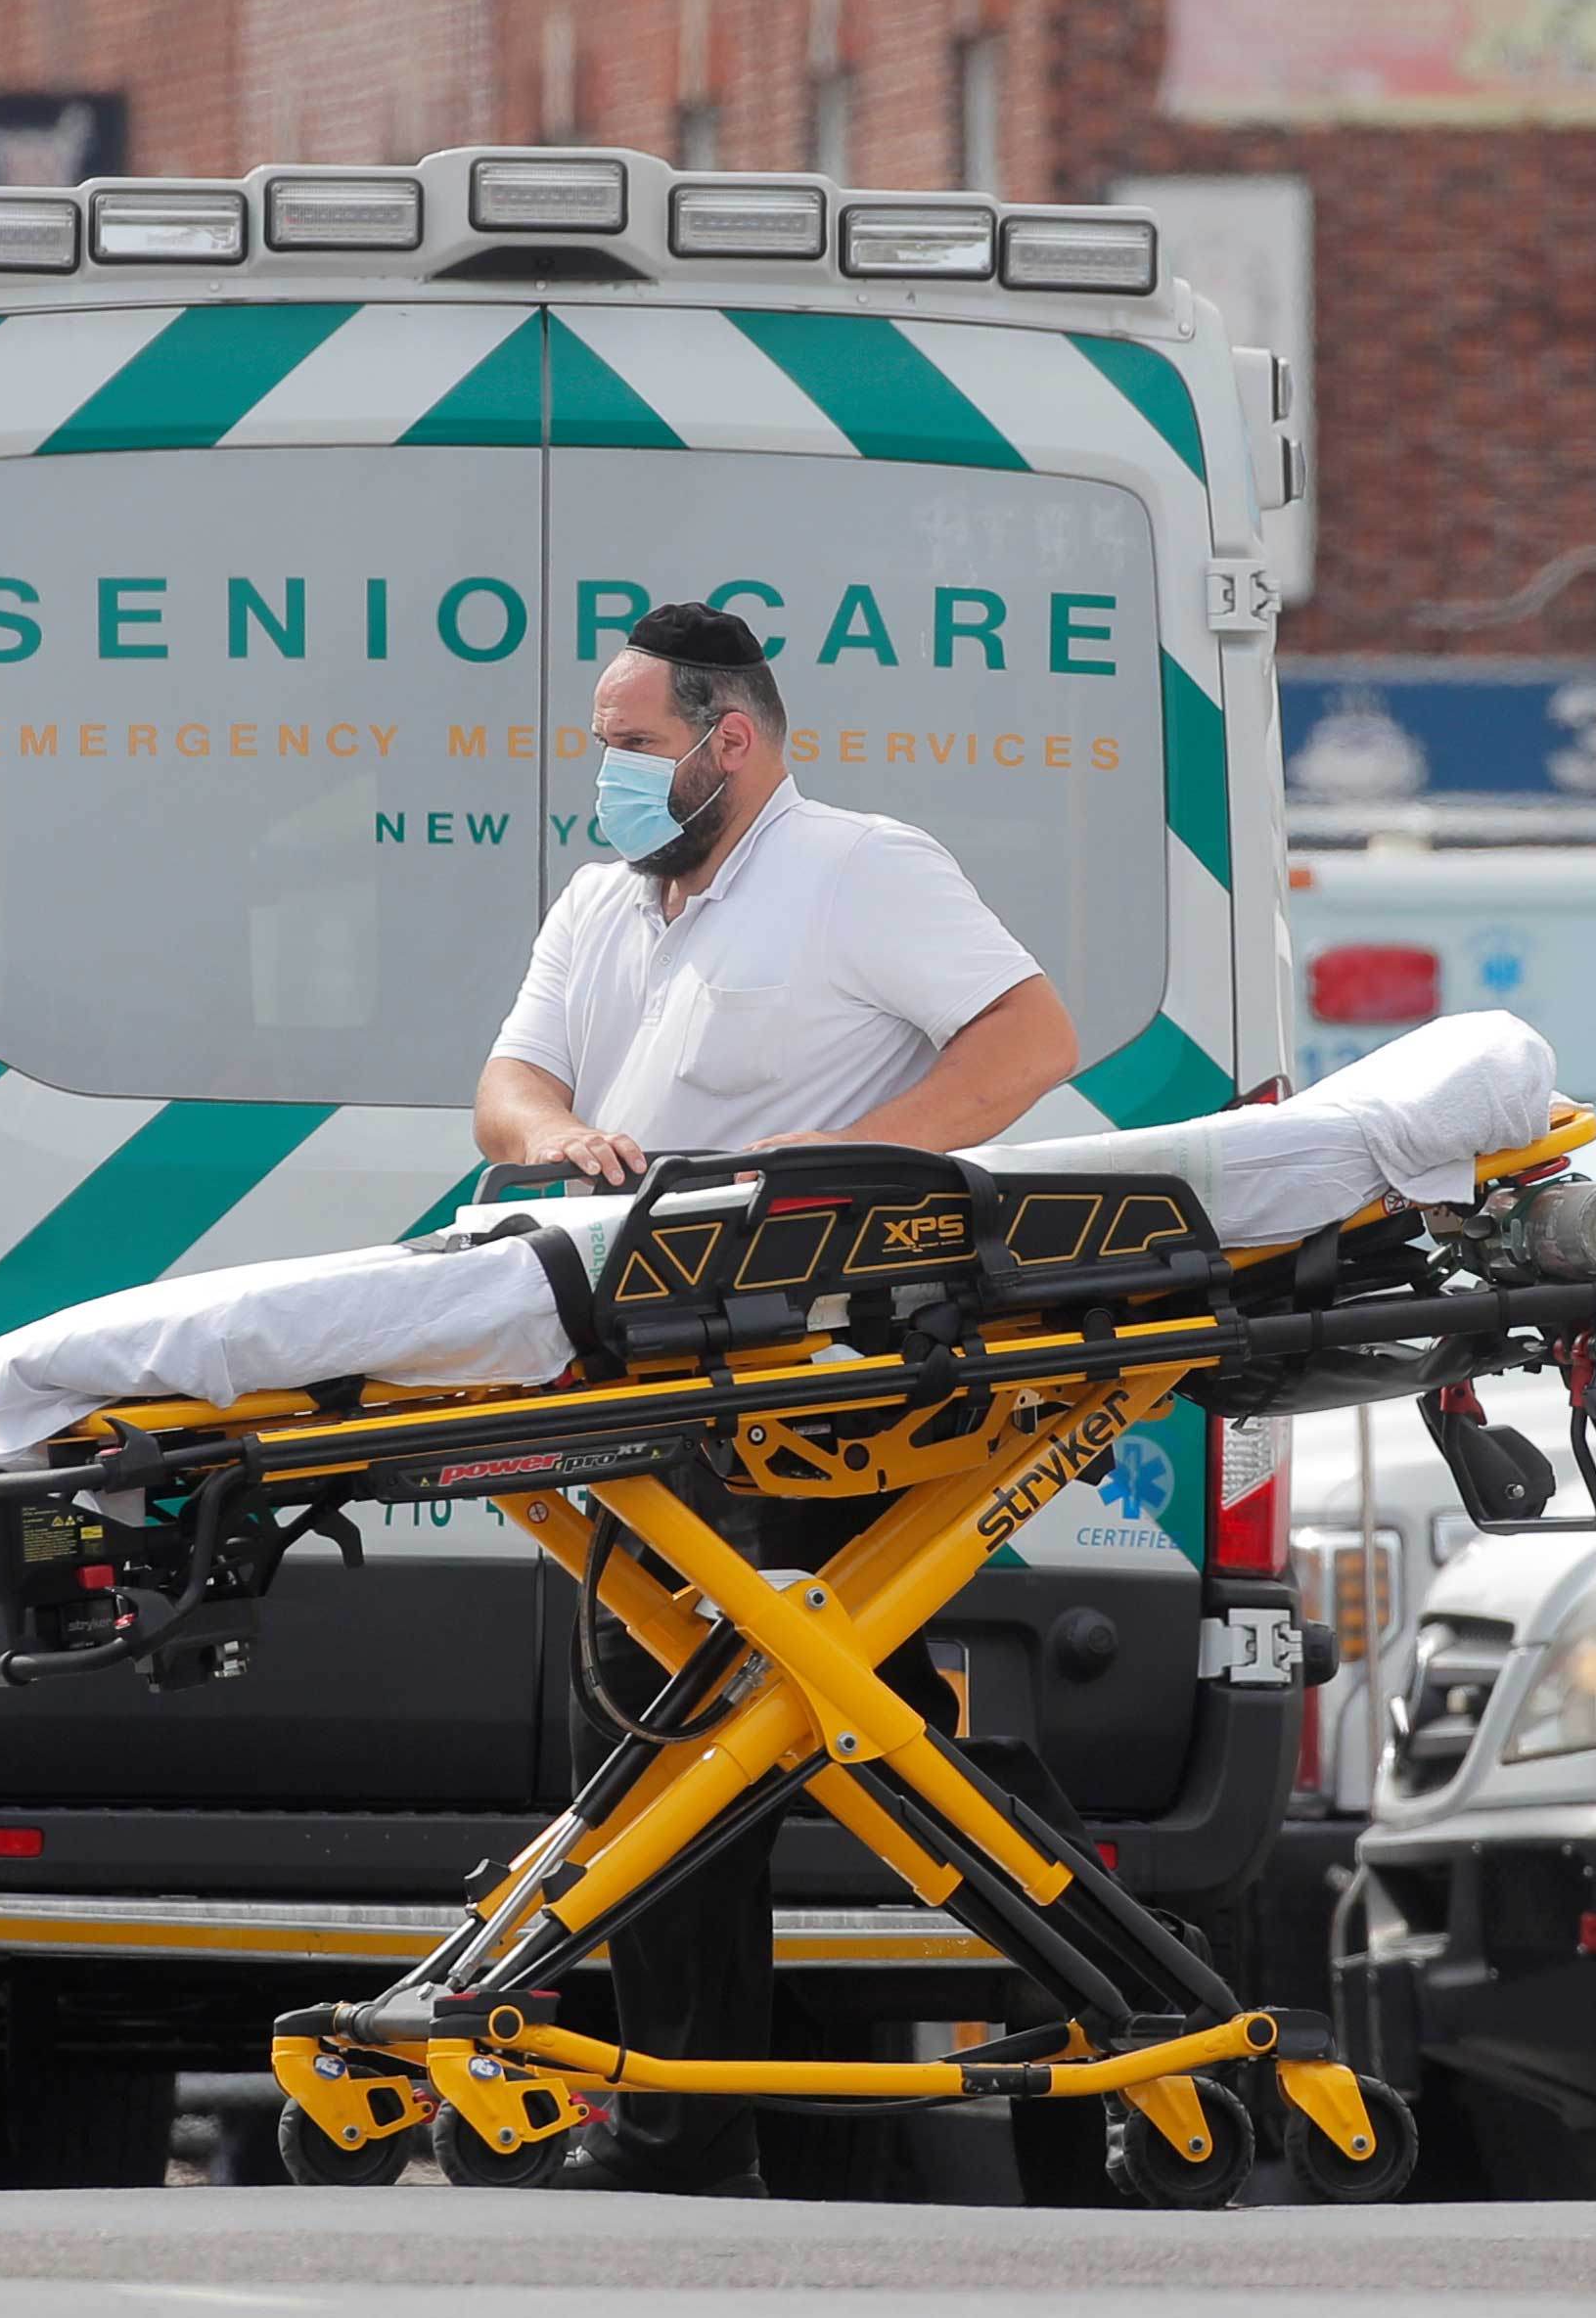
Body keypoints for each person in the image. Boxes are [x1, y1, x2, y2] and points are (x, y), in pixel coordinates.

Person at [477, 600, 1078, 2196]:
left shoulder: (856, 871)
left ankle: (1071, 2082)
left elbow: (1027, 1039)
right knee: (685, 1730)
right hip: (659, 1380)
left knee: (844, 1735)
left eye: (626, 747)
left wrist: (847, 1176)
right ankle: (683, 2132)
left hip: (824, 1379)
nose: (601, 776)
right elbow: (509, 1081)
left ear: (727, 743)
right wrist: (550, 1141)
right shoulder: (604, 905)